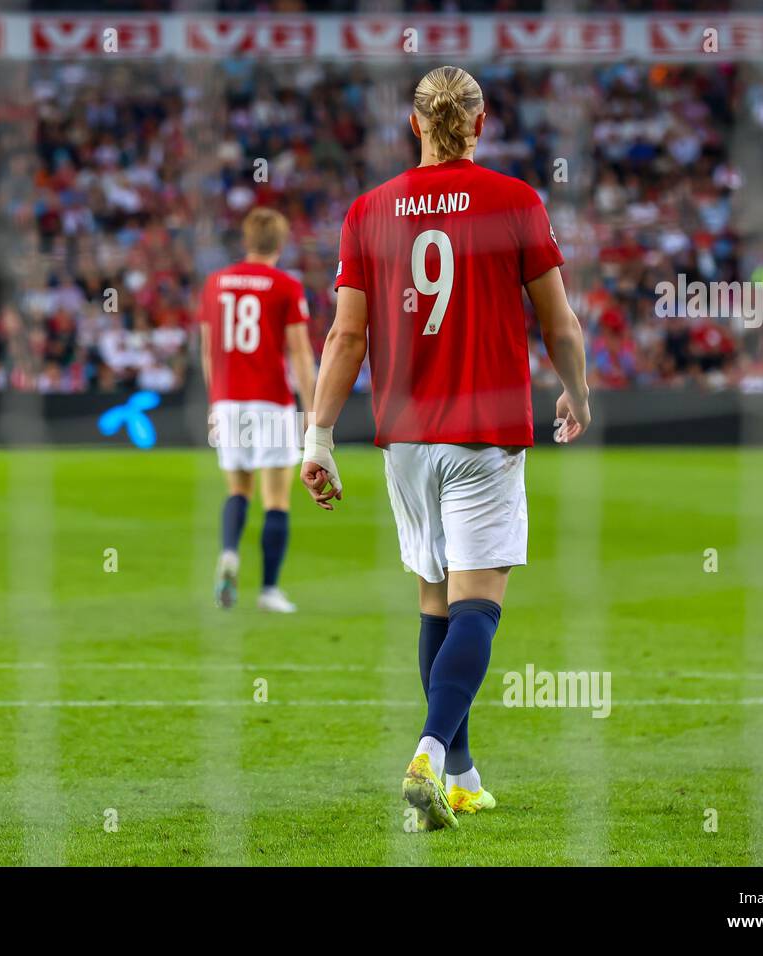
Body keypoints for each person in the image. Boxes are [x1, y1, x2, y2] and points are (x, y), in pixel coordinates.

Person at [299, 66, 591, 829]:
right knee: (478, 610)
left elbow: (347, 335)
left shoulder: (369, 212)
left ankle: (459, 775)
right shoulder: (516, 203)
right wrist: (577, 391)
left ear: (414, 124)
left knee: (435, 600)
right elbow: (559, 322)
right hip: (484, 433)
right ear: (481, 123)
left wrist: (319, 434)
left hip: (406, 438)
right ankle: (430, 750)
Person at [199, 207, 316, 613]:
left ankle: (230, 552)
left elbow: (208, 349)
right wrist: (314, 411)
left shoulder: (215, 283)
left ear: (246, 240)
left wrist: (215, 400)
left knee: (237, 490)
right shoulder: (286, 286)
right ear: (281, 245)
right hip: (271, 401)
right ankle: (268, 589)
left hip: (229, 401)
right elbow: (300, 353)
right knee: (277, 498)